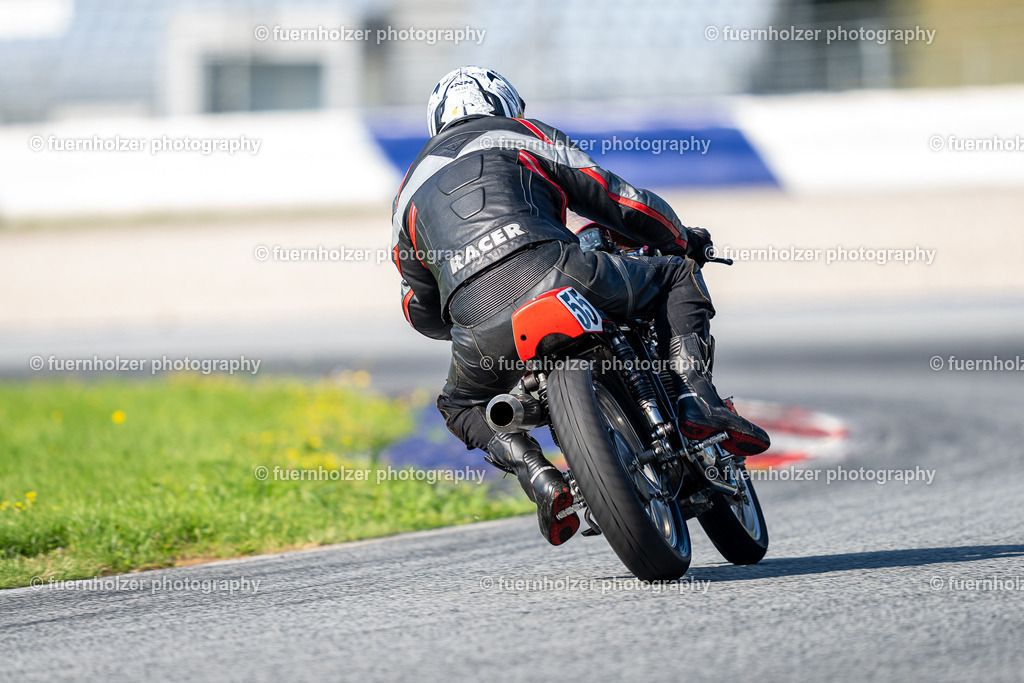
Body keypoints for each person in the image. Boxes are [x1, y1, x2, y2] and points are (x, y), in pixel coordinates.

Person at [391, 66, 770, 546]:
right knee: (676, 274)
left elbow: (418, 306)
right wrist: (678, 240)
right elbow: (617, 200)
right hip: (556, 269)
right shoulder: (521, 133)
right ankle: (696, 400)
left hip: (477, 318)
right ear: (506, 104)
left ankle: (538, 476)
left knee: (458, 403)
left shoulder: (406, 191)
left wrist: (471, 315)